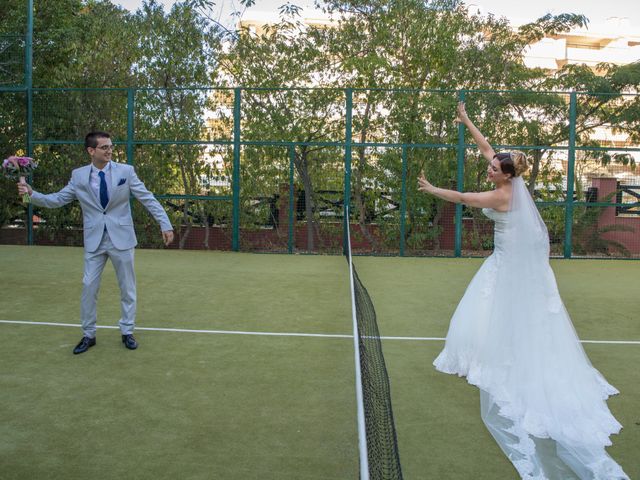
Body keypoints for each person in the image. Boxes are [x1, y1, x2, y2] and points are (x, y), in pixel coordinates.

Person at [417, 103, 628, 479]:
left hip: (506, 262)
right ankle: (494, 349)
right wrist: (467, 120)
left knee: (489, 306)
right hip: (506, 258)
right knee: (490, 308)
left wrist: (433, 189)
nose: (489, 167)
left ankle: (493, 357)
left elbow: (465, 198)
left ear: (506, 176)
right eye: (492, 165)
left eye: (494, 168)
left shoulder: (502, 195)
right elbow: (486, 148)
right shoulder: (513, 180)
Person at [17, 131, 174, 355]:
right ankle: (88, 334)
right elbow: (57, 199)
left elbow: (147, 198)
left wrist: (165, 224)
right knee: (89, 286)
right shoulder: (79, 176)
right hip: (94, 241)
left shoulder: (125, 172)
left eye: (111, 146)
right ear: (91, 151)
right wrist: (30, 195)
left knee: (127, 288)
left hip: (122, 239)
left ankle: (127, 331)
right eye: (104, 147)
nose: (109, 150)